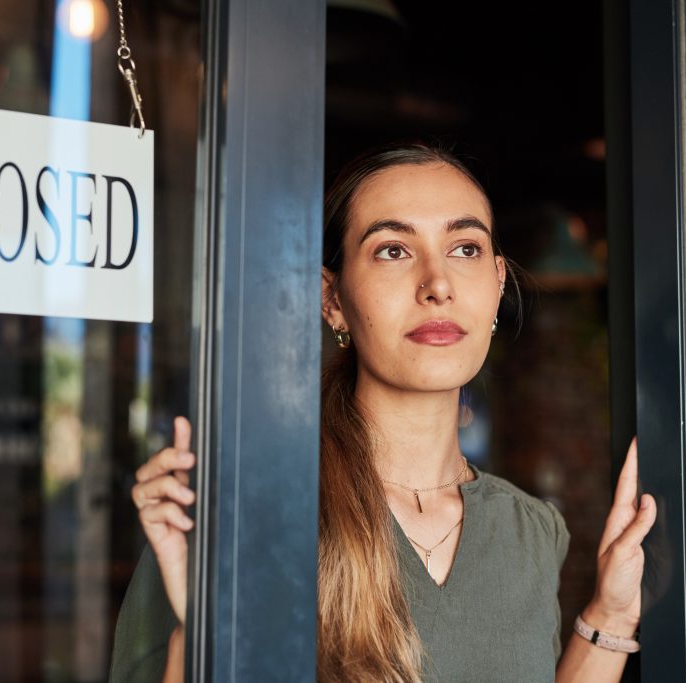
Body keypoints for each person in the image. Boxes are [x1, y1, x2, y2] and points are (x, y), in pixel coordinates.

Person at [109, 143, 657, 682]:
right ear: (332, 300)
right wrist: (199, 636)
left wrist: (610, 615)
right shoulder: (246, 516)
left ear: (497, 283)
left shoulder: (531, 532)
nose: (437, 284)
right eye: (393, 250)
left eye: (464, 248)